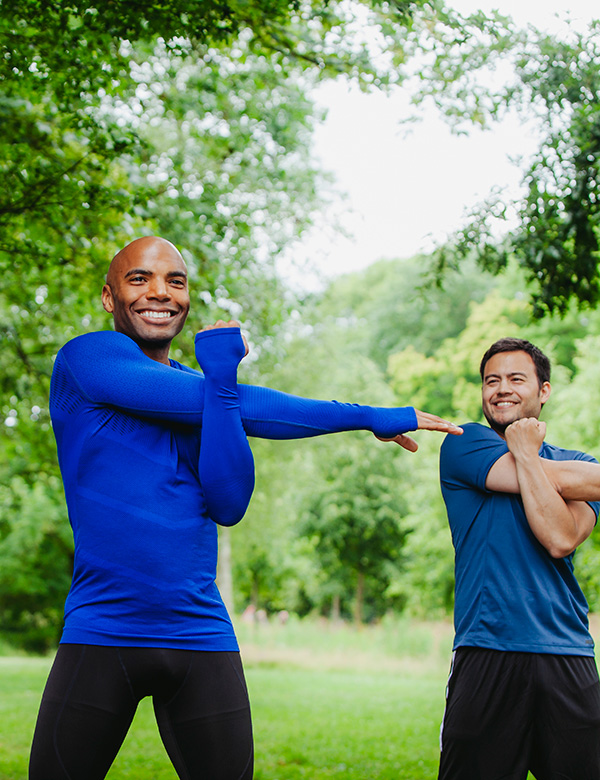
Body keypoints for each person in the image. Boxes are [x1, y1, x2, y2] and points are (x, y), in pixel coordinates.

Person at [30, 235, 462, 780]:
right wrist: (372, 414)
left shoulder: (206, 393)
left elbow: (230, 504)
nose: (159, 292)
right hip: (103, 630)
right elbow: (241, 404)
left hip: (201, 634)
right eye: (138, 279)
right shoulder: (87, 358)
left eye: (176, 281)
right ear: (109, 297)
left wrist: (221, 383)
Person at [438, 337, 600, 780]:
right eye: (492, 380)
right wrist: (529, 454)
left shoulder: (577, 461)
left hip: (568, 654)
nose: (501, 389)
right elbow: (569, 483)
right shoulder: (463, 444)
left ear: (542, 390)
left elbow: (560, 538)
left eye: (515, 378)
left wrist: (526, 452)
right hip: (486, 647)